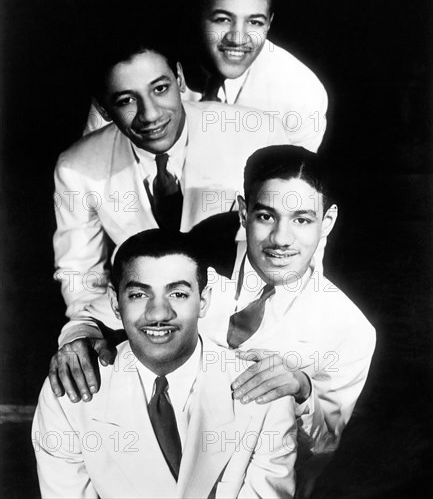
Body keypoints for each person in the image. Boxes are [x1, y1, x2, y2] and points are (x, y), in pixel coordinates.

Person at [50, 33, 289, 402]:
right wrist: (81, 332)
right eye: (126, 100)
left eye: (160, 88)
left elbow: (302, 244)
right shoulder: (77, 167)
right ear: (103, 107)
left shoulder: (254, 134)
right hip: (152, 325)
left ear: (179, 79)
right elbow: (80, 274)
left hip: (255, 325)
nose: (150, 115)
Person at [33, 230, 297, 499]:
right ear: (115, 302)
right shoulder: (71, 395)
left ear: (203, 301)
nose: (159, 313)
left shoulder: (264, 393)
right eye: (138, 295)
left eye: (178, 294)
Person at [192, 145, 376, 457]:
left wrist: (303, 390)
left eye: (302, 220)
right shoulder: (194, 264)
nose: (280, 238)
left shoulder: (350, 329)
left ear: (327, 222)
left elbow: (324, 443)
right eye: (266, 216)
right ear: (242, 212)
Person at [84, 0, 327, 153]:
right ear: (196, 15)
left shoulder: (301, 94)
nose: (238, 38)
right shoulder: (137, 69)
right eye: (222, 19)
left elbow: (291, 194)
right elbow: (93, 168)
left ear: (269, 23)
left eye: (254, 22)